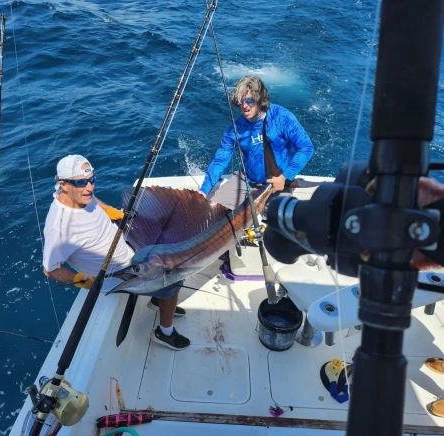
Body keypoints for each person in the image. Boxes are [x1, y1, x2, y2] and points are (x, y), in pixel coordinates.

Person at [42, 154, 190, 351]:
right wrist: (79, 279)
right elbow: (50, 270)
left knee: (169, 239)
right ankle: (165, 331)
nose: (89, 187)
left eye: (92, 179)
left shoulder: (81, 195)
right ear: (64, 184)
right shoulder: (59, 227)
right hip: (119, 277)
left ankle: (158, 299)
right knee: (174, 278)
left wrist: (111, 211)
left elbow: (94, 200)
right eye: (81, 182)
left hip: (129, 251)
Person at [199, 75, 315, 210]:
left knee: (283, 221)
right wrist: (204, 190)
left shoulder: (281, 117)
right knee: (214, 214)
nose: (244, 106)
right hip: (246, 181)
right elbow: (220, 161)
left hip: (277, 183)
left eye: (249, 100)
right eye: (240, 101)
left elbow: (306, 148)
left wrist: (285, 176)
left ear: (261, 99)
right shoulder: (235, 130)